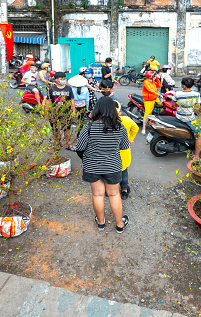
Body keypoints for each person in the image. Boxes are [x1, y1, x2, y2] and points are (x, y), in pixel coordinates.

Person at [75, 97, 131, 233]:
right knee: (114, 194)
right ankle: (119, 225)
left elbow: (80, 148)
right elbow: (124, 147)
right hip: (113, 165)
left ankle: (101, 223)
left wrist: (87, 158)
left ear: (97, 109)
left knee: (98, 195)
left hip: (92, 166)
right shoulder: (120, 127)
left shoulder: (88, 127)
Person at [174, 78, 201, 159]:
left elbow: (173, 103)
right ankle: (197, 156)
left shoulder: (177, 94)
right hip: (189, 119)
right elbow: (197, 108)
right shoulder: (196, 94)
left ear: (183, 85)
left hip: (178, 116)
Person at [115, 102, 138, 200]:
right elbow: (135, 128)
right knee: (124, 170)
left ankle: (110, 190)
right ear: (119, 112)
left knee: (110, 172)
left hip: (109, 153)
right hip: (124, 150)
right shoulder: (126, 120)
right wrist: (130, 139)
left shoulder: (102, 122)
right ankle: (124, 190)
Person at [47, 72, 76, 149]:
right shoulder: (52, 89)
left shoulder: (68, 88)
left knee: (67, 130)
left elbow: (72, 100)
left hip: (66, 113)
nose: (63, 80)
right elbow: (48, 100)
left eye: (64, 78)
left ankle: (68, 144)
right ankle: (56, 144)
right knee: (55, 130)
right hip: (54, 114)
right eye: (61, 79)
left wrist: (73, 111)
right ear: (56, 80)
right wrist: (46, 111)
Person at [141, 70, 162, 135]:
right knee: (147, 113)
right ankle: (143, 128)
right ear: (151, 76)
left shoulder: (152, 81)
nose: (155, 76)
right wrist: (159, 95)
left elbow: (159, 86)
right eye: (154, 76)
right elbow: (149, 90)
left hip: (154, 97)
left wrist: (157, 78)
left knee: (162, 106)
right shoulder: (146, 82)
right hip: (148, 99)